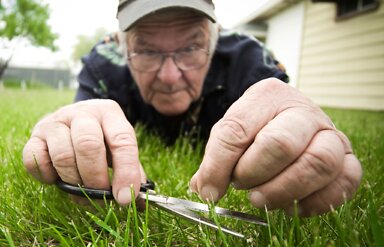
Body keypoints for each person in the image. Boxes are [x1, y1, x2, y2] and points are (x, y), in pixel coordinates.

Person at [22, 0, 362, 217]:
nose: (170, 77)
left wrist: (306, 135)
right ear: (123, 47)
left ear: (214, 42)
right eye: (148, 51)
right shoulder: (103, 62)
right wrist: (68, 134)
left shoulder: (247, 57)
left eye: (191, 47)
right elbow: (77, 118)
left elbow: (285, 108)